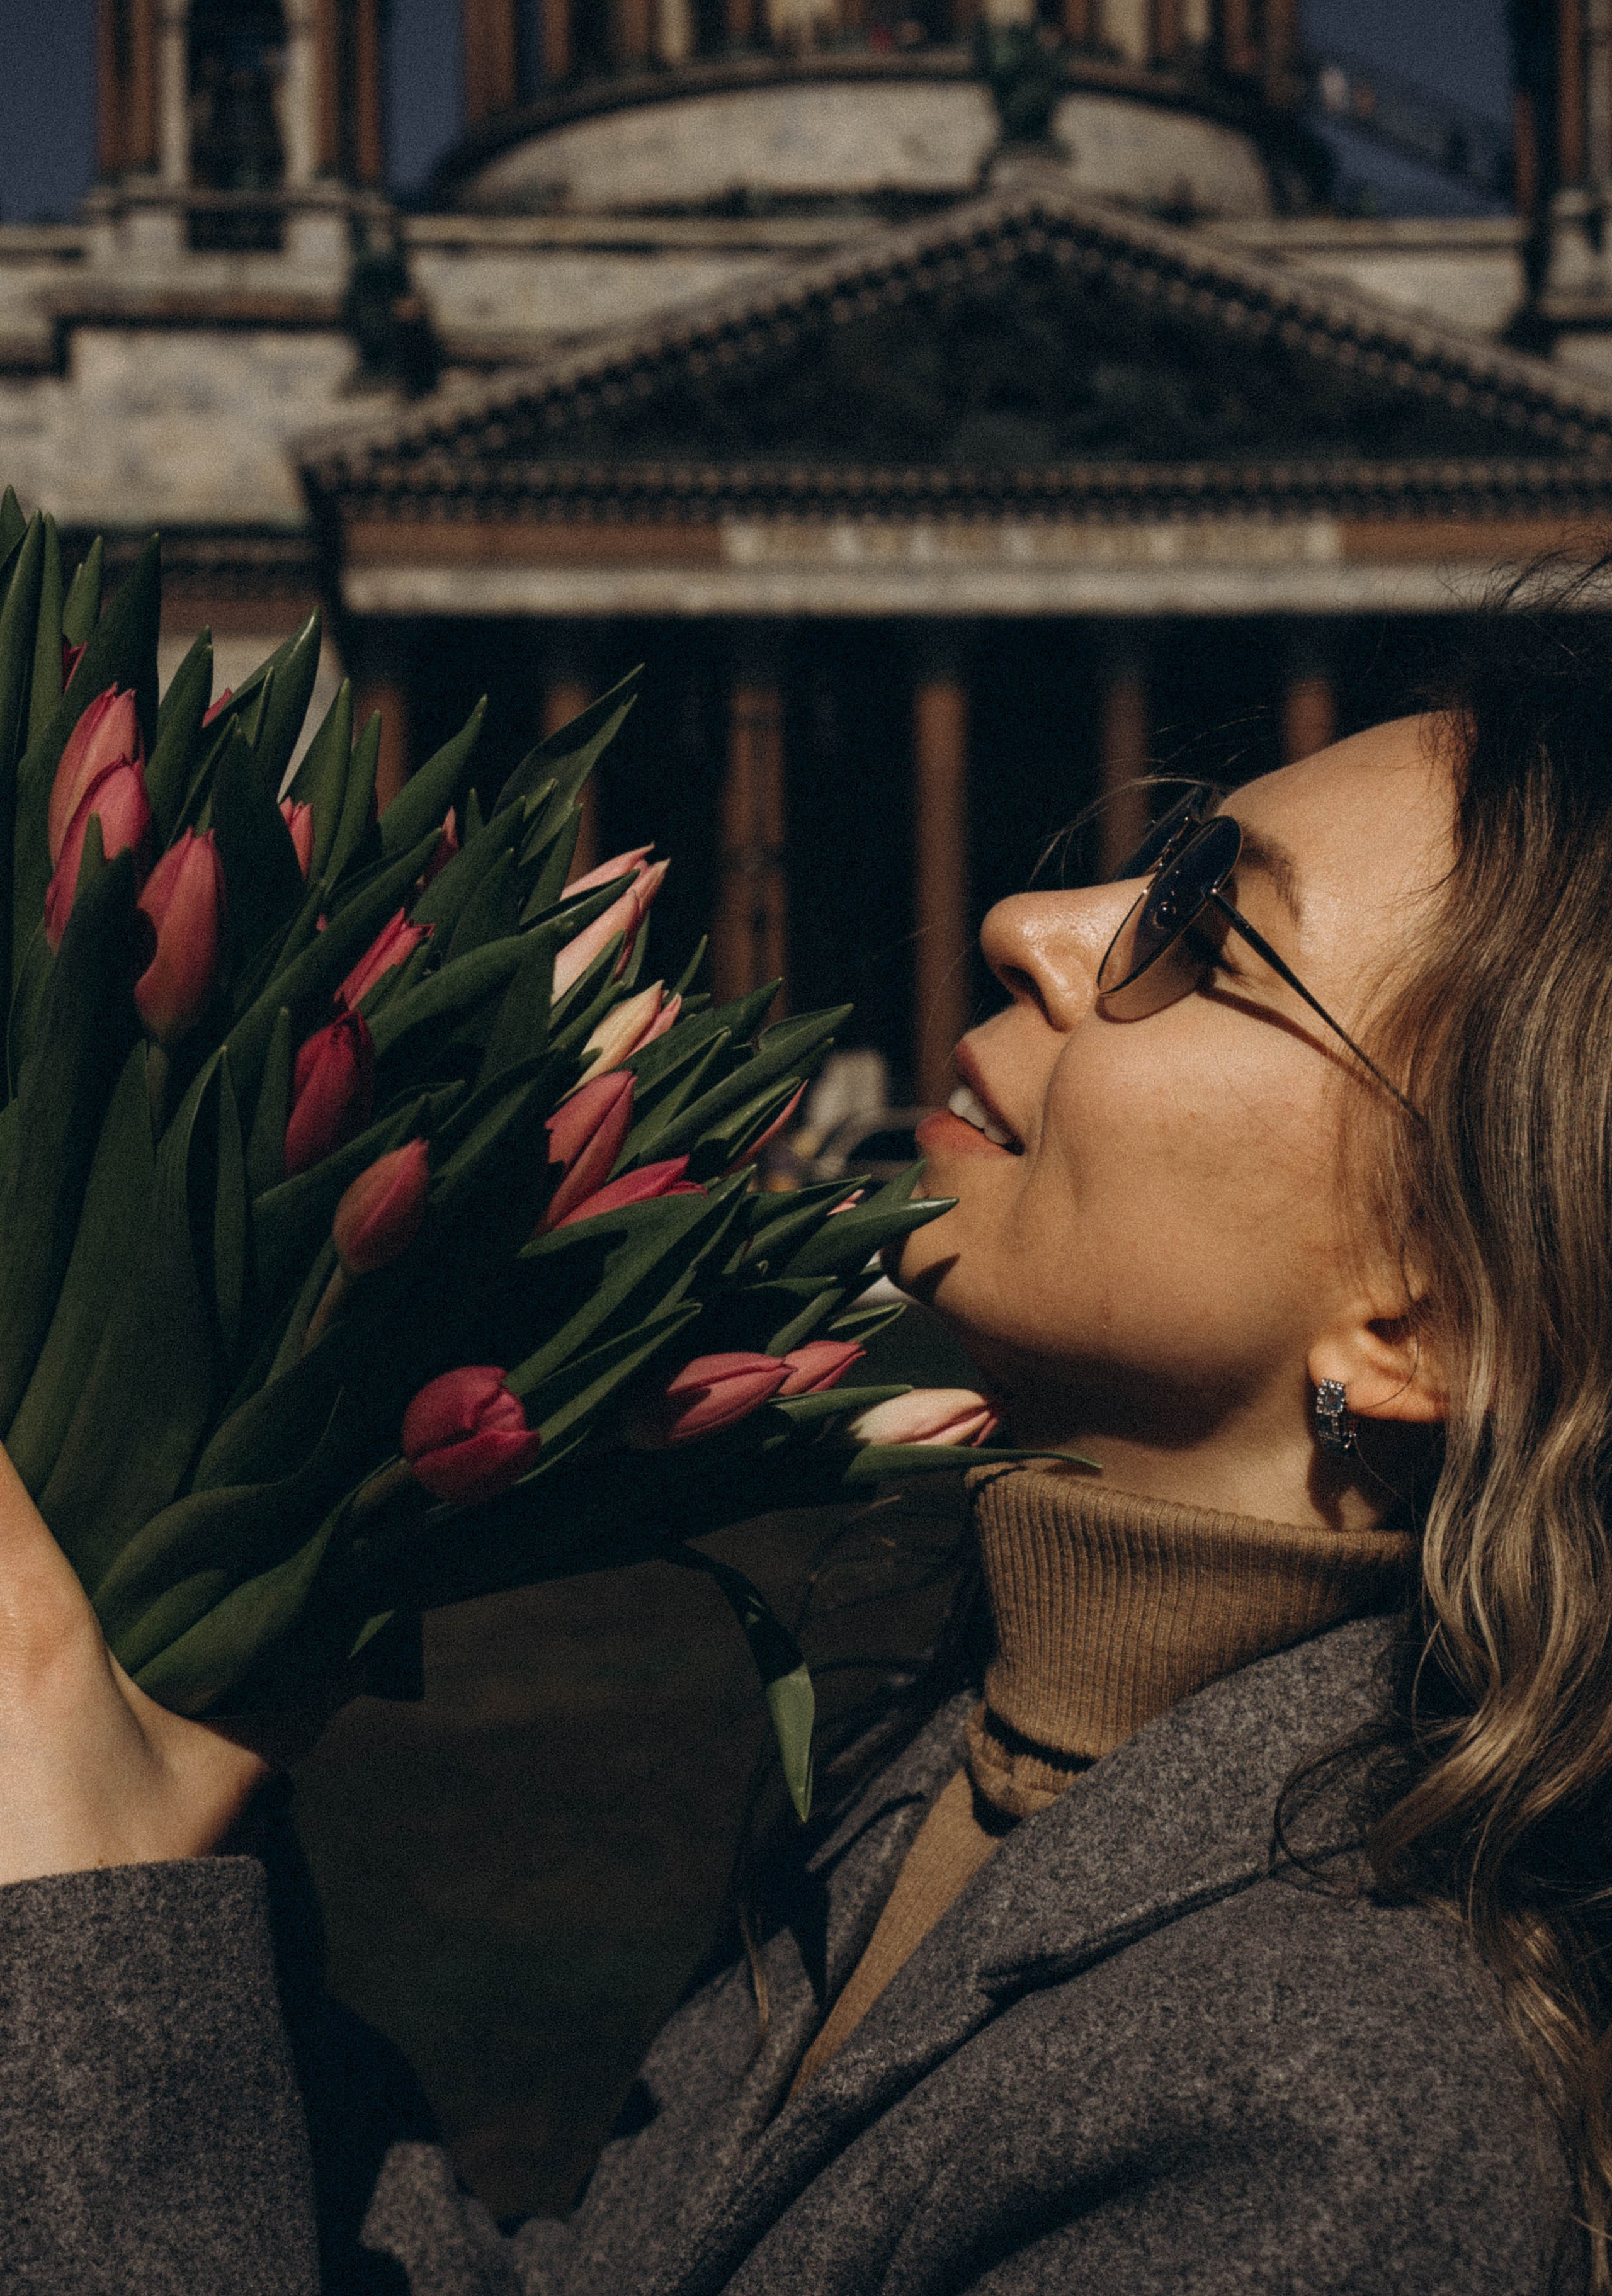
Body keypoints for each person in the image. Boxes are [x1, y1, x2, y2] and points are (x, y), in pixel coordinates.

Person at [0, 630, 1604, 2294]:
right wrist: (144, 1858)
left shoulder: (1335, 2110)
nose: (1027, 924)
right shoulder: (984, 1752)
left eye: (1203, 937)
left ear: (1418, 1327)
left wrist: (80, 1910)